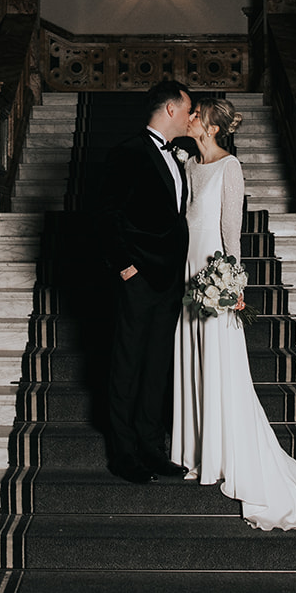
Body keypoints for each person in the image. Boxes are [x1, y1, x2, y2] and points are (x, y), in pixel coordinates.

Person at [171, 98, 296, 531]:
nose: (189, 119)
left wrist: (233, 283)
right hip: (187, 268)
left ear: (211, 128)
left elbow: (232, 229)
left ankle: (225, 456)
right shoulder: (191, 164)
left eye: (196, 117)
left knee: (218, 360)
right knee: (192, 355)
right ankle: (198, 452)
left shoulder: (230, 167)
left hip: (213, 269)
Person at [100, 79, 192, 483]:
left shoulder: (181, 155)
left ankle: (151, 447)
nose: (192, 117)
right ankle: (123, 453)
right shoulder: (128, 153)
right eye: (188, 109)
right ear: (170, 109)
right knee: (127, 364)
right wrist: (125, 267)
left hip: (170, 279)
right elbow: (105, 215)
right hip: (137, 277)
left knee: (157, 366)